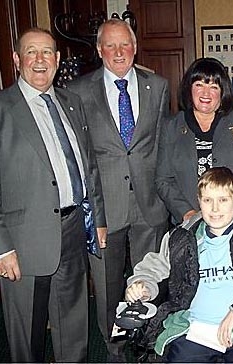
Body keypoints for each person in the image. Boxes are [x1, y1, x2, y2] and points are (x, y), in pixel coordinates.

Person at [0, 28, 107, 362]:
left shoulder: (71, 103)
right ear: (17, 60)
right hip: (23, 242)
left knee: (74, 326)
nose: (40, 60)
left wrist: (97, 220)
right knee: (27, 335)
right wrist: (0, 249)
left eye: (47, 53)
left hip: (73, 230)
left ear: (58, 60)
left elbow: (88, 167)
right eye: (31, 52)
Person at [68, 19, 169, 362]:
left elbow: (160, 144)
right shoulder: (79, 92)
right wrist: (90, 211)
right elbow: (80, 158)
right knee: (110, 287)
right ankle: (115, 351)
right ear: (99, 51)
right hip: (105, 209)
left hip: (149, 205)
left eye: (124, 44)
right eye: (110, 46)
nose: (119, 52)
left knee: (149, 281)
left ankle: (146, 343)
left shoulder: (158, 86)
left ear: (135, 47)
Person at [125, 167, 233, 363]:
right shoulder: (181, 237)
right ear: (199, 201)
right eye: (208, 200)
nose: (215, 209)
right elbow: (153, 267)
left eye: (223, 200)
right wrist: (142, 285)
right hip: (193, 327)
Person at [156, 57, 233, 224]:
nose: (206, 93)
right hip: (190, 221)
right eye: (199, 85)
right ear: (189, 88)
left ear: (222, 91)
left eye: (213, 87)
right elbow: (163, 179)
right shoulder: (171, 127)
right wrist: (186, 213)